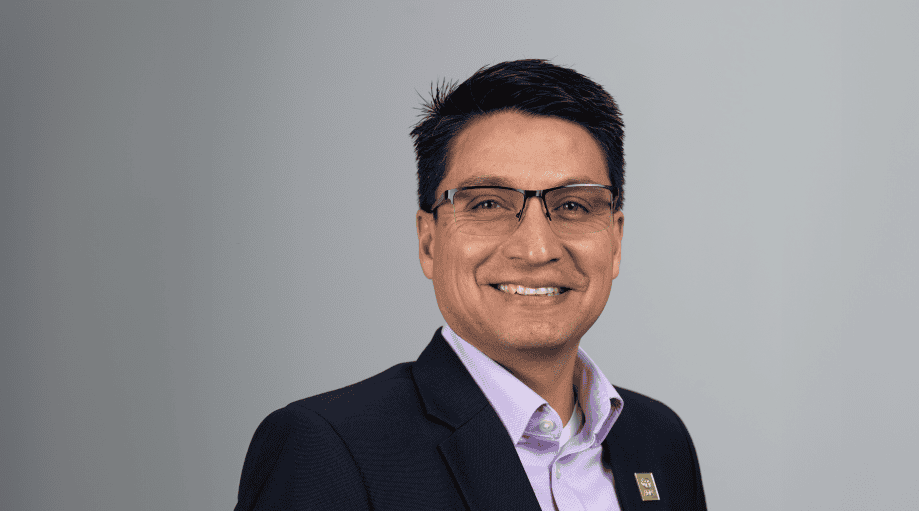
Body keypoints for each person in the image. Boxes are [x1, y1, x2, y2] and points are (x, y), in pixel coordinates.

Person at [235, 59, 706, 511]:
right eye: (488, 204)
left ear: (615, 242)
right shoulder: (329, 449)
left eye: (572, 206)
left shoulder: (658, 440)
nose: (537, 249)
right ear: (429, 241)